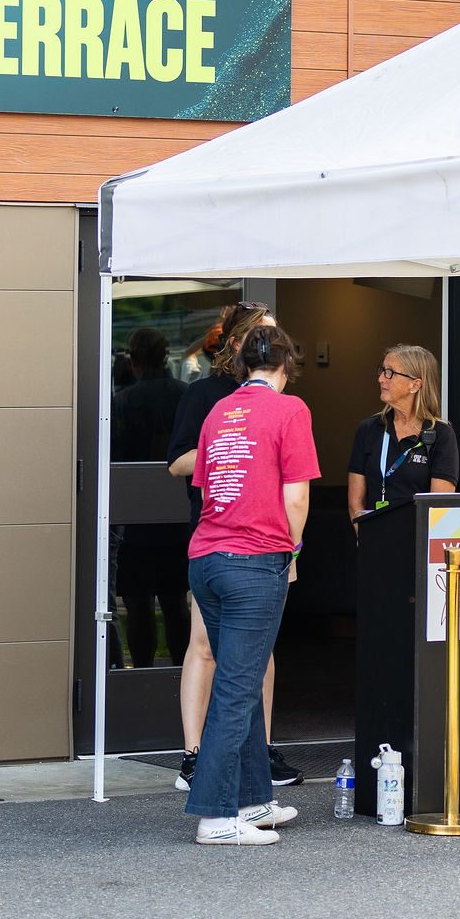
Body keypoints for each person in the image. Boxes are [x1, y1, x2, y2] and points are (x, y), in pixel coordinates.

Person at [183, 324, 318, 845]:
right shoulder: (290, 410)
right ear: (287, 365)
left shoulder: (219, 410)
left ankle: (252, 801)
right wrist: (293, 551)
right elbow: (297, 497)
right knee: (238, 690)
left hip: (207, 558)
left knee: (241, 677)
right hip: (255, 560)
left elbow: (205, 487)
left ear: (243, 365)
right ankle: (216, 817)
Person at [166, 303, 303, 789]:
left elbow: (292, 480)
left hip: (268, 537)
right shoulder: (208, 396)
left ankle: (259, 752)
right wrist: (233, 445)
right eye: (264, 334)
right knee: (205, 645)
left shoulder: (282, 400)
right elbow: (178, 462)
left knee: (260, 650)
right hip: (220, 530)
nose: (272, 343)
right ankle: (193, 754)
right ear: (240, 342)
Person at [114, 327, 190, 668]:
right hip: (178, 512)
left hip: (135, 516)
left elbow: (115, 456)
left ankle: (141, 674)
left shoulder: (124, 401)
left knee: (138, 606)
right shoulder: (185, 395)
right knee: (176, 604)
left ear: (135, 360)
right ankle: (182, 676)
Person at [346, 344, 459, 526]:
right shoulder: (369, 429)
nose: (381, 379)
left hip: (418, 539)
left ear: (415, 385)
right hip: (374, 538)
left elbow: (439, 509)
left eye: (390, 373)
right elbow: (355, 504)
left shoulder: (441, 434)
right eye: (382, 370)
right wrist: (366, 537)